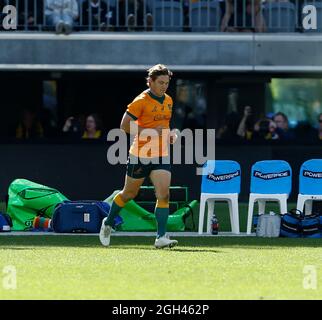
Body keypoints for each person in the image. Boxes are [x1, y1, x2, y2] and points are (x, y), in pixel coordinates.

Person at [99, 64, 179, 249]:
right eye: (160, 82)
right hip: (140, 154)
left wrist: (170, 135)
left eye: (166, 83)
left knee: (164, 194)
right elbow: (124, 126)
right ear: (150, 81)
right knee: (129, 194)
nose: (164, 86)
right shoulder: (141, 101)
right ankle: (108, 223)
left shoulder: (168, 100)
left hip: (161, 154)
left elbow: (164, 126)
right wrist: (153, 131)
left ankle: (160, 237)